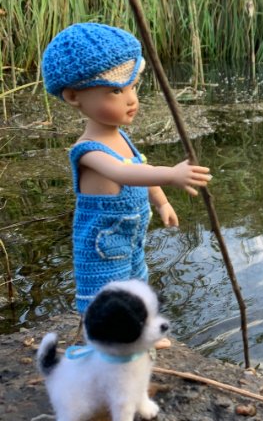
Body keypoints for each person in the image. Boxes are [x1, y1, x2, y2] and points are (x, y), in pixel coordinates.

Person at [42, 22, 211, 335]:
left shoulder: (121, 137)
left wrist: (161, 202)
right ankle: (107, 340)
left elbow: (140, 168)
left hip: (131, 236)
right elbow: (124, 172)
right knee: (108, 293)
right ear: (74, 96)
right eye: (116, 91)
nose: (131, 99)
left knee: (137, 283)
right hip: (101, 244)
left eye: (134, 87)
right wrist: (171, 174)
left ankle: (139, 332)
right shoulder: (88, 150)